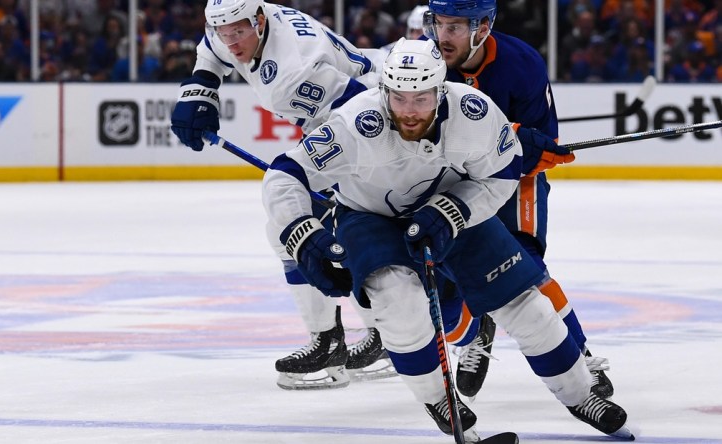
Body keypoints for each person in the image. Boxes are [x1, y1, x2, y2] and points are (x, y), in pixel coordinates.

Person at [261, 38, 634, 440]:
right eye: (398, 97)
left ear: (441, 89)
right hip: (369, 215)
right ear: (383, 91)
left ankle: (580, 396)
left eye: (420, 98)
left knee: (526, 304)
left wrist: (455, 210)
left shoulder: (474, 113)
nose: (408, 110)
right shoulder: (356, 122)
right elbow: (285, 174)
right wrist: (300, 232)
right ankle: (440, 400)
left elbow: (503, 174)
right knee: (397, 301)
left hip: (451, 206)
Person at [170, 0, 394, 390]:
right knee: (305, 228)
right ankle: (367, 337)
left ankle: (349, 340)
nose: (231, 41)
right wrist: (202, 87)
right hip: (342, 111)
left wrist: (349, 179)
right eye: (225, 31)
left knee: (307, 227)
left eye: (238, 31)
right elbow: (212, 48)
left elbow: (361, 110)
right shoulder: (240, 20)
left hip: (369, 118)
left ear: (258, 21)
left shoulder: (292, 72)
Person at [423, 0, 614, 403]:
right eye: (438, 24)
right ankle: (477, 332)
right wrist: (504, 134)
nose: (442, 36)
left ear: (484, 26)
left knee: (527, 267)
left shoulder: (522, 64)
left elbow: (542, 147)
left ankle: (577, 357)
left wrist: (531, 147)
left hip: (514, 178)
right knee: (447, 278)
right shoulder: (424, 62)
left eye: (455, 26)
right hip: (452, 182)